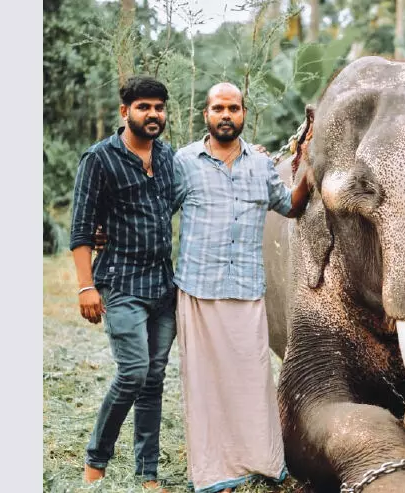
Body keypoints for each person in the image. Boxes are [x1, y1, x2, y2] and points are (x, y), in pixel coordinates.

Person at [171, 82, 312, 493]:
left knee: (252, 379)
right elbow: (156, 208)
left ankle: (260, 461)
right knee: (205, 385)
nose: (226, 115)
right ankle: (216, 473)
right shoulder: (184, 163)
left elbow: (290, 205)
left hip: (248, 289)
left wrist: (312, 168)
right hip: (199, 288)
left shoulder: (261, 166)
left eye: (233, 108)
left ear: (244, 114)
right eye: (218, 108)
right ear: (206, 115)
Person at [69, 75, 175, 492]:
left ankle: (147, 473)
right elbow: (80, 230)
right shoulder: (100, 159)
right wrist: (85, 286)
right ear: (124, 111)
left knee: (153, 379)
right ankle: (96, 459)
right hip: (121, 283)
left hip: (164, 288)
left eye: (159, 107)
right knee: (133, 372)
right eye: (144, 106)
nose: (153, 114)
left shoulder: (166, 157)